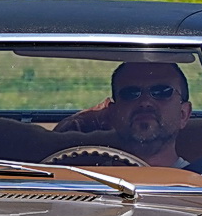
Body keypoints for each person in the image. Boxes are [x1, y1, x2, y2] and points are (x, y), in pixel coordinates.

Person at [55, 61, 194, 167]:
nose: (145, 102)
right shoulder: (79, 186)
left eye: (161, 92)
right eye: (130, 93)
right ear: (113, 114)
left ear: (183, 114)